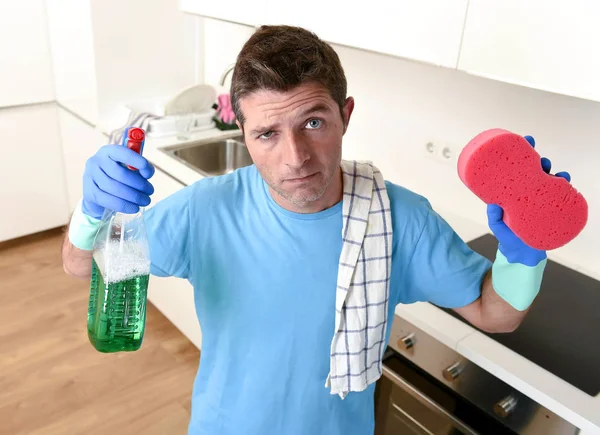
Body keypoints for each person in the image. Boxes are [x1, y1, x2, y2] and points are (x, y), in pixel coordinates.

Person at [62, 25, 571, 435]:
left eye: (313, 123)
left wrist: (524, 254)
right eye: (267, 133)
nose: (295, 158)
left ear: (345, 115)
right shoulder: (205, 211)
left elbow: (495, 313)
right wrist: (90, 215)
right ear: (243, 134)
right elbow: (81, 265)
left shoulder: (397, 218)